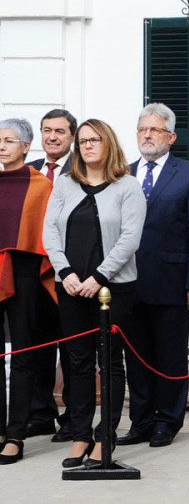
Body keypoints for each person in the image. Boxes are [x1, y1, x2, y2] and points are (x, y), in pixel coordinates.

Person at [43, 119, 145, 468]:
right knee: (78, 362)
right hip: (70, 287)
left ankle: (106, 437)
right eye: (82, 140)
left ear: (109, 144)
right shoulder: (65, 183)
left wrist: (99, 276)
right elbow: (50, 234)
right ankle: (81, 435)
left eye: (94, 140)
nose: (87, 146)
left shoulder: (128, 186)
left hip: (113, 290)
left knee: (110, 362)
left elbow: (130, 239)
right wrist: (67, 273)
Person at [113, 103, 189, 449]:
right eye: (142, 130)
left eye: (155, 130)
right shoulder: (122, 175)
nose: (148, 135)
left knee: (169, 356)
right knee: (136, 357)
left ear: (171, 136)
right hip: (127, 283)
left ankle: (166, 421)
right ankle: (140, 421)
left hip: (172, 281)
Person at [0, 118, 55, 464]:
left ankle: (16, 435)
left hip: (25, 275)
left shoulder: (40, 185)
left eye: (9, 140)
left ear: (25, 146)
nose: (2, 145)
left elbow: (45, 235)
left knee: (23, 355)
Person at [25, 109, 78, 443]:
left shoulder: (84, 171)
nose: (53, 137)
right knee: (36, 347)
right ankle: (40, 414)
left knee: (74, 351)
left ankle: (74, 418)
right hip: (33, 276)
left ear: (72, 135)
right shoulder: (27, 172)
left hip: (71, 275)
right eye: (47, 130)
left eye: (60, 131)